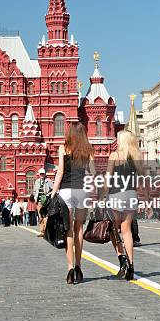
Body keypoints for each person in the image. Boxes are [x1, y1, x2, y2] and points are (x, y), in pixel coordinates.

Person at [50, 122, 95, 284]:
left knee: (68, 230)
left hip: (66, 192)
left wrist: (53, 193)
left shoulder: (63, 148)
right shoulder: (88, 150)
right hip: (82, 191)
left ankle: (69, 269)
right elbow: (92, 174)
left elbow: (60, 172)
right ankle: (78, 266)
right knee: (79, 228)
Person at [104, 130, 139, 281]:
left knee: (114, 229)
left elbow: (107, 178)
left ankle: (122, 259)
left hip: (116, 195)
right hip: (131, 195)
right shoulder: (136, 156)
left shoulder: (114, 156)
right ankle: (131, 265)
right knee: (127, 231)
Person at [34, 169, 53, 237]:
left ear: (45, 174)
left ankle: (47, 231)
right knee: (40, 216)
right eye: (41, 174)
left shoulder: (48, 181)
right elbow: (34, 191)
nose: (42, 175)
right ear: (39, 174)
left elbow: (53, 189)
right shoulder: (37, 181)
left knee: (46, 216)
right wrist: (35, 197)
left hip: (46, 201)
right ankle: (42, 231)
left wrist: (48, 195)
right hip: (39, 201)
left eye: (43, 173)